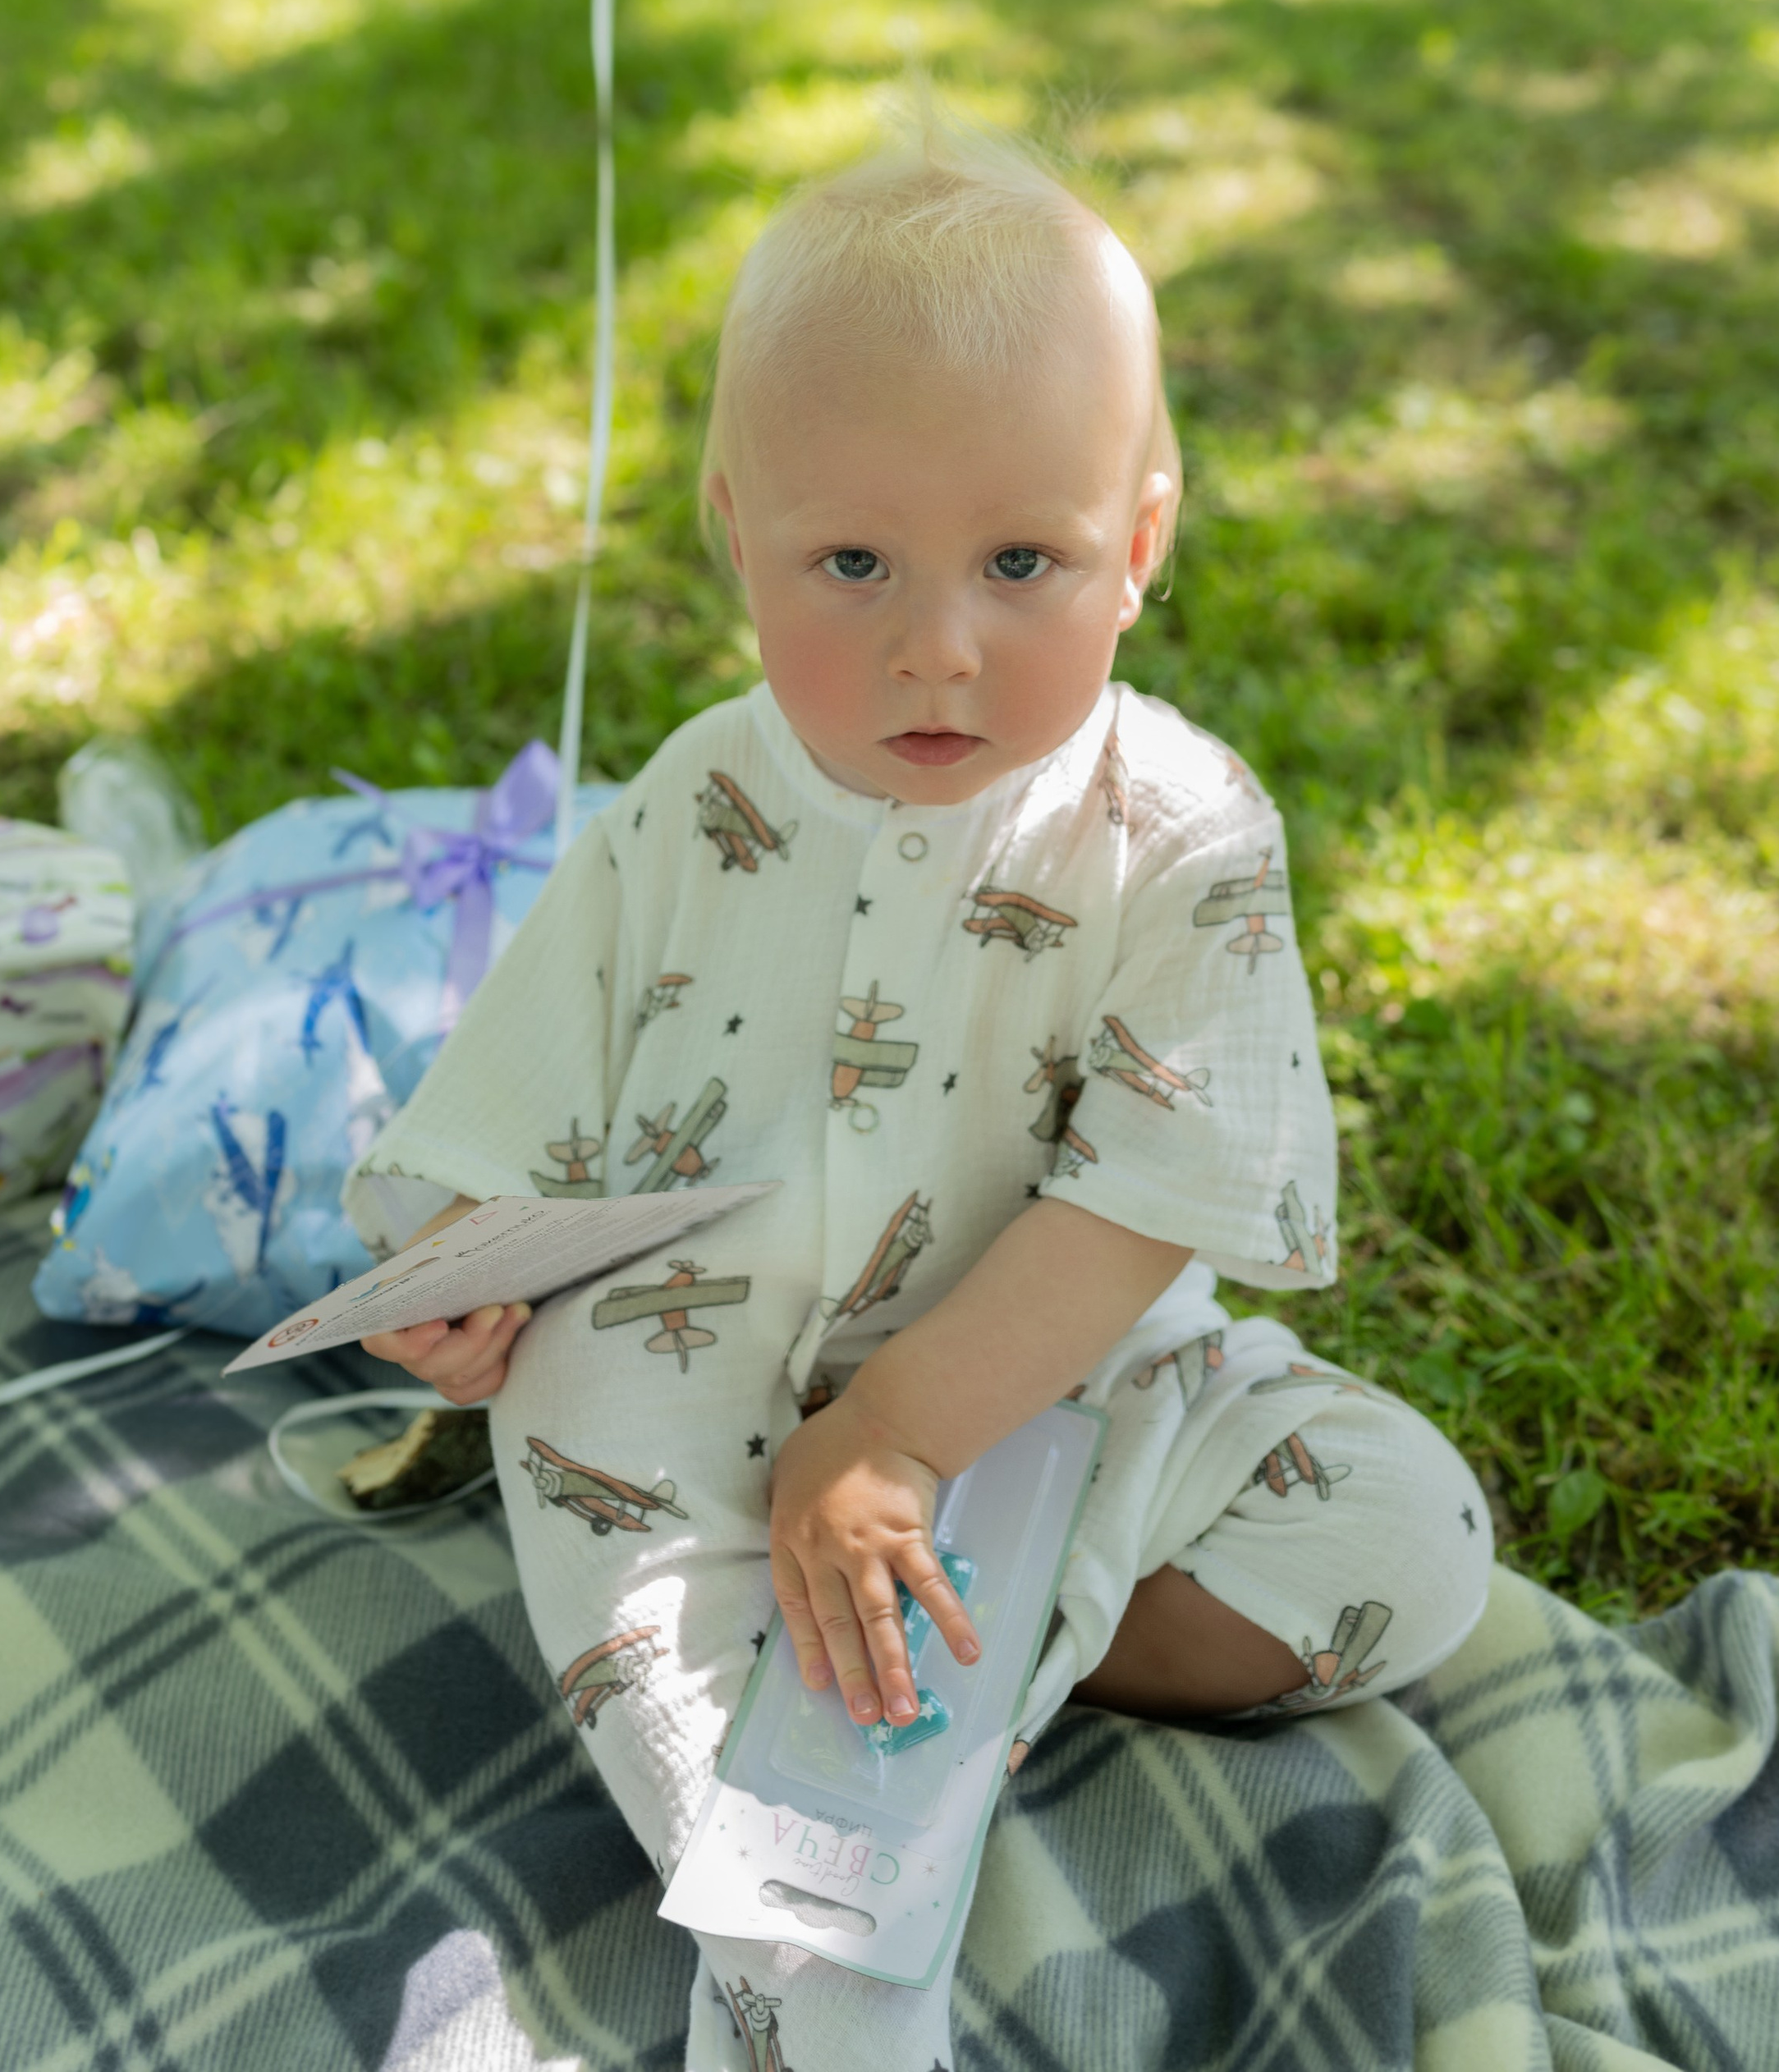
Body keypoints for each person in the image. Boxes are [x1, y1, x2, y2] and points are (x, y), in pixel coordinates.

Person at [340, 119, 1492, 2072]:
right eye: (849, 562)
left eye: (1019, 562)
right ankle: (809, 1926)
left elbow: (1150, 1197)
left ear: (1137, 544)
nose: (930, 645)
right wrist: (454, 1272)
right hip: (684, 1375)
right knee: (603, 1500)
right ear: (736, 533)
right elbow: (514, 1099)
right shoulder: (695, 803)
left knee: (1408, 1542)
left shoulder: (1179, 834)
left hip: (1063, 1388)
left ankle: (964, 1638)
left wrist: (898, 1433)